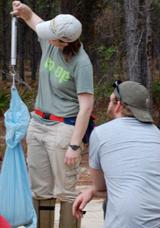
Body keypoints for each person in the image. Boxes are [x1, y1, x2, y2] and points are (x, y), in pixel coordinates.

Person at [12, 1, 94, 228]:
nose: (47, 38)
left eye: (52, 37)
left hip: (63, 129)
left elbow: (86, 106)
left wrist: (75, 145)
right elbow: (34, 22)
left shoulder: (81, 63)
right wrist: (25, 11)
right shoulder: (50, 41)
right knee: (39, 190)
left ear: (65, 41)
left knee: (66, 192)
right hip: (38, 123)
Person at [73, 80, 160, 228]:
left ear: (118, 104)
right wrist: (92, 191)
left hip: (127, 223)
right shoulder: (157, 134)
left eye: (110, 100)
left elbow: (101, 187)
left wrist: (92, 191)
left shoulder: (100, 134)